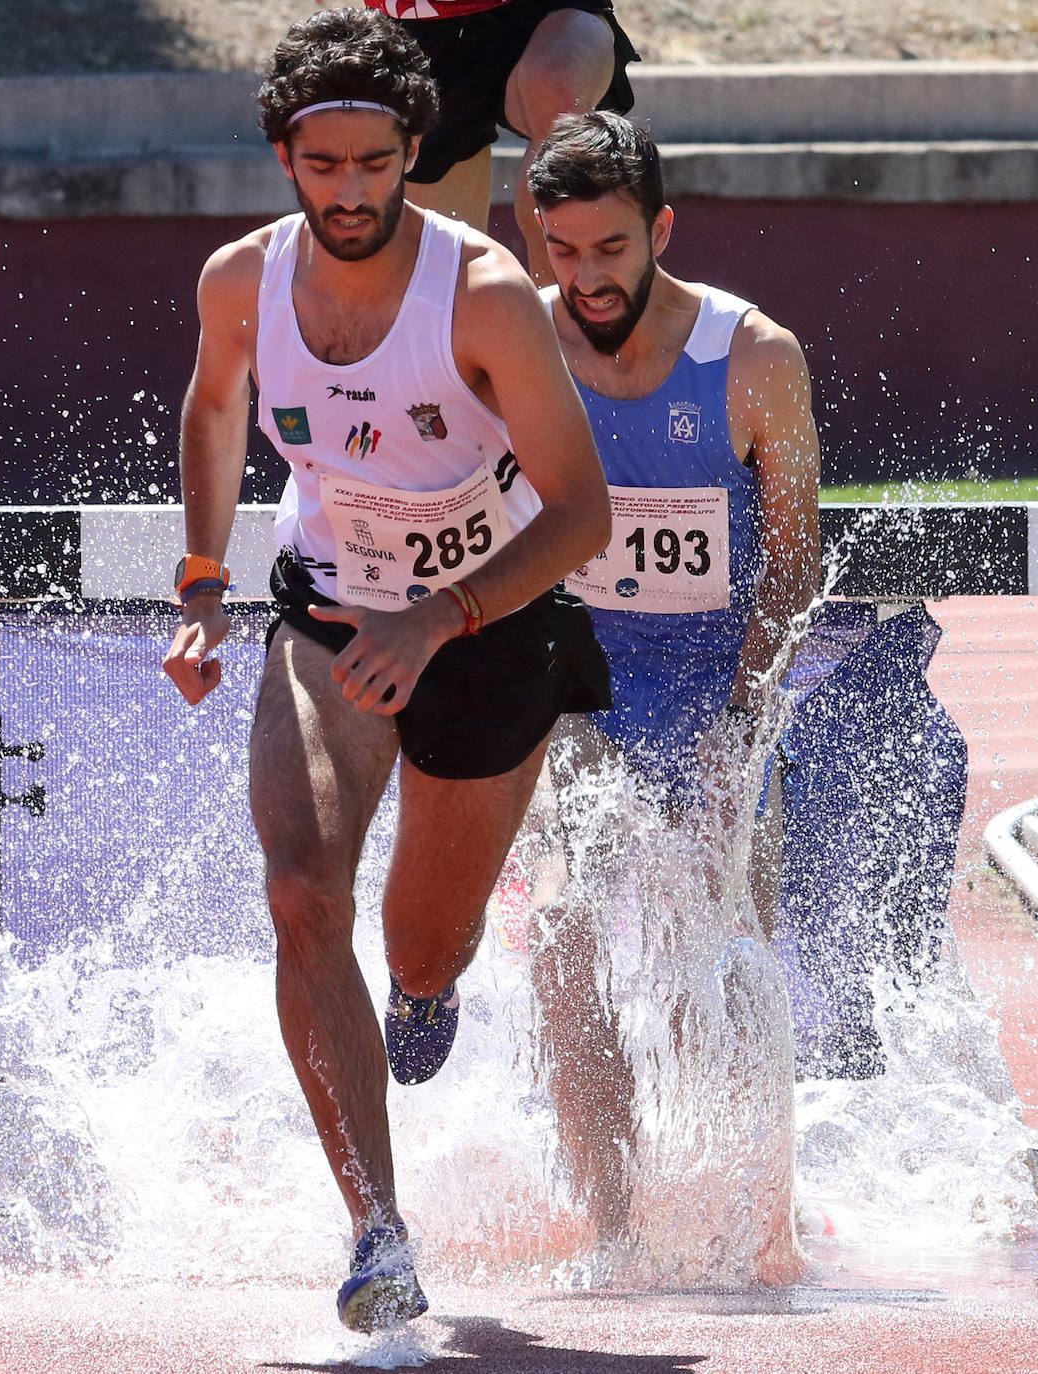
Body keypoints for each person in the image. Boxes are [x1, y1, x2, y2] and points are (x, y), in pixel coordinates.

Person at [161, 9, 612, 1333]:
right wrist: (200, 583)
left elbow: (578, 513)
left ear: (413, 153)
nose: (349, 192)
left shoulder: (477, 292)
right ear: (285, 161)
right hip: (330, 613)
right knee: (302, 889)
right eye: (323, 166)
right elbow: (210, 405)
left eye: (373, 164)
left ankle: (425, 987)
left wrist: (441, 616)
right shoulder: (239, 280)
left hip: (486, 625)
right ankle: (376, 1227)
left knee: (423, 935)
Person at [523, 112, 820, 1252]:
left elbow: (792, 567)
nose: (588, 276)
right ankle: (613, 1221)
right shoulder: (520, 343)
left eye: (610, 248)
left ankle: (764, 1221)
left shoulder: (754, 358)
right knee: (561, 938)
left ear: (661, 230)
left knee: (737, 949)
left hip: (715, 695)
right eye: (564, 251)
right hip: (575, 691)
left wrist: (738, 724)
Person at [363, 0, 640, 282]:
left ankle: (560, 313)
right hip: (423, 18)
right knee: (446, 269)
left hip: (544, 10)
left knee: (558, 95)